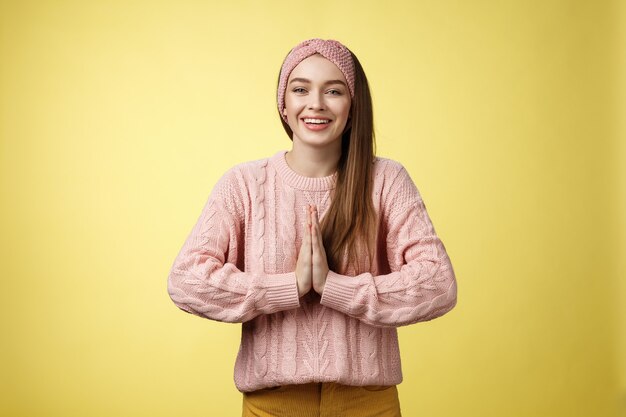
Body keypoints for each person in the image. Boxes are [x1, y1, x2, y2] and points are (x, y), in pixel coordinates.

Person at [167, 38, 458, 417]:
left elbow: (439, 283)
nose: (315, 103)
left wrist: (335, 287)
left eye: (333, 91)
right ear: (284, 106)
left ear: (353, 108)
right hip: (273, 405)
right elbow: (186, 281)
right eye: (300, 89)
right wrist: (290, 287)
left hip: (367, 403)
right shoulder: (243, 184)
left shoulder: (386, 180)